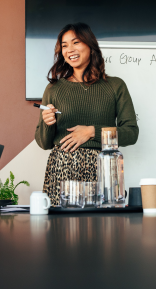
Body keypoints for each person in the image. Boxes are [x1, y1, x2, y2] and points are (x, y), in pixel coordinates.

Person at [35, 22, 139, 205]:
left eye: (75, 42)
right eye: (64, 46)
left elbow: (131, 133)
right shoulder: (53, 89)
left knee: (104, 230)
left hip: (104, 169)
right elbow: (44, 143)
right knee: (61, 232)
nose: (69, 50)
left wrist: (92, 131)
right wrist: (47, 122)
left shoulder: (115, 86)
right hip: (62, 171)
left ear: (90, 46)